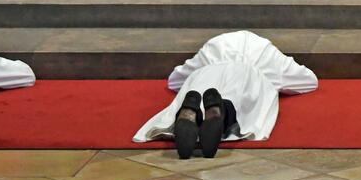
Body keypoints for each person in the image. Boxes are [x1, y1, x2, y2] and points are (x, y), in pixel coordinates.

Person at [133, 31, 317, 159]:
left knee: (199, 91)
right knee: (241, 107)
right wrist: (277, 83)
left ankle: (190, 112)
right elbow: (308, 81)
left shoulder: (214, 46)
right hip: (248, 74)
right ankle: (222, 110)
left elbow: (174, 80)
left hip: (205, 73)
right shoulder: (266, 51)